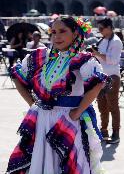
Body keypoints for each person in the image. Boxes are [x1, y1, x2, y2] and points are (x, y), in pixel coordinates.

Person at [6, 16, 107, 174]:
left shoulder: (83, 59)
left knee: (67, 163)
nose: (57, 36)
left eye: (62, 31)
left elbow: (98, 84)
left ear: (75, 33)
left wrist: (77, 112)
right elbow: (17, 75)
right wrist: (32, 103)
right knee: (41, 161)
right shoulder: (41, 56)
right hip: (42, 119)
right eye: (53, 32)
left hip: (67, 121)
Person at [92, 18, 123, 144]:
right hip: (101, 76)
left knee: (113, 106)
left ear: (109, 27)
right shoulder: (103, 40)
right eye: (98, 29)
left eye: (101, 29)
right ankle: (103, 131)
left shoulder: (116, 41)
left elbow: (113, 60)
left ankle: (116, 133)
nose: (100, 31)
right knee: (102, 106)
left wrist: (97, 54)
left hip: (112, 77)